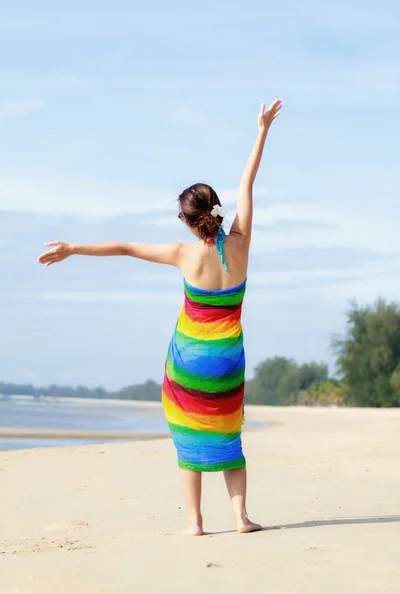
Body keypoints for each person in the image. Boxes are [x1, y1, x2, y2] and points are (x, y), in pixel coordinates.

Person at [37, 99, 282, 536]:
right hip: (228, 359)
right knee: (229, 436)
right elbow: (249, 179)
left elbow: (126, 248)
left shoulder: (183, 255)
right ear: (217, 212)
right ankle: (241, 517)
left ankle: (195, 523)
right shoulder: (241, 243)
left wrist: (73, 248)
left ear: (189, 223)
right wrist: (261, 130)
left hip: (190, 361)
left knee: (189, 438)